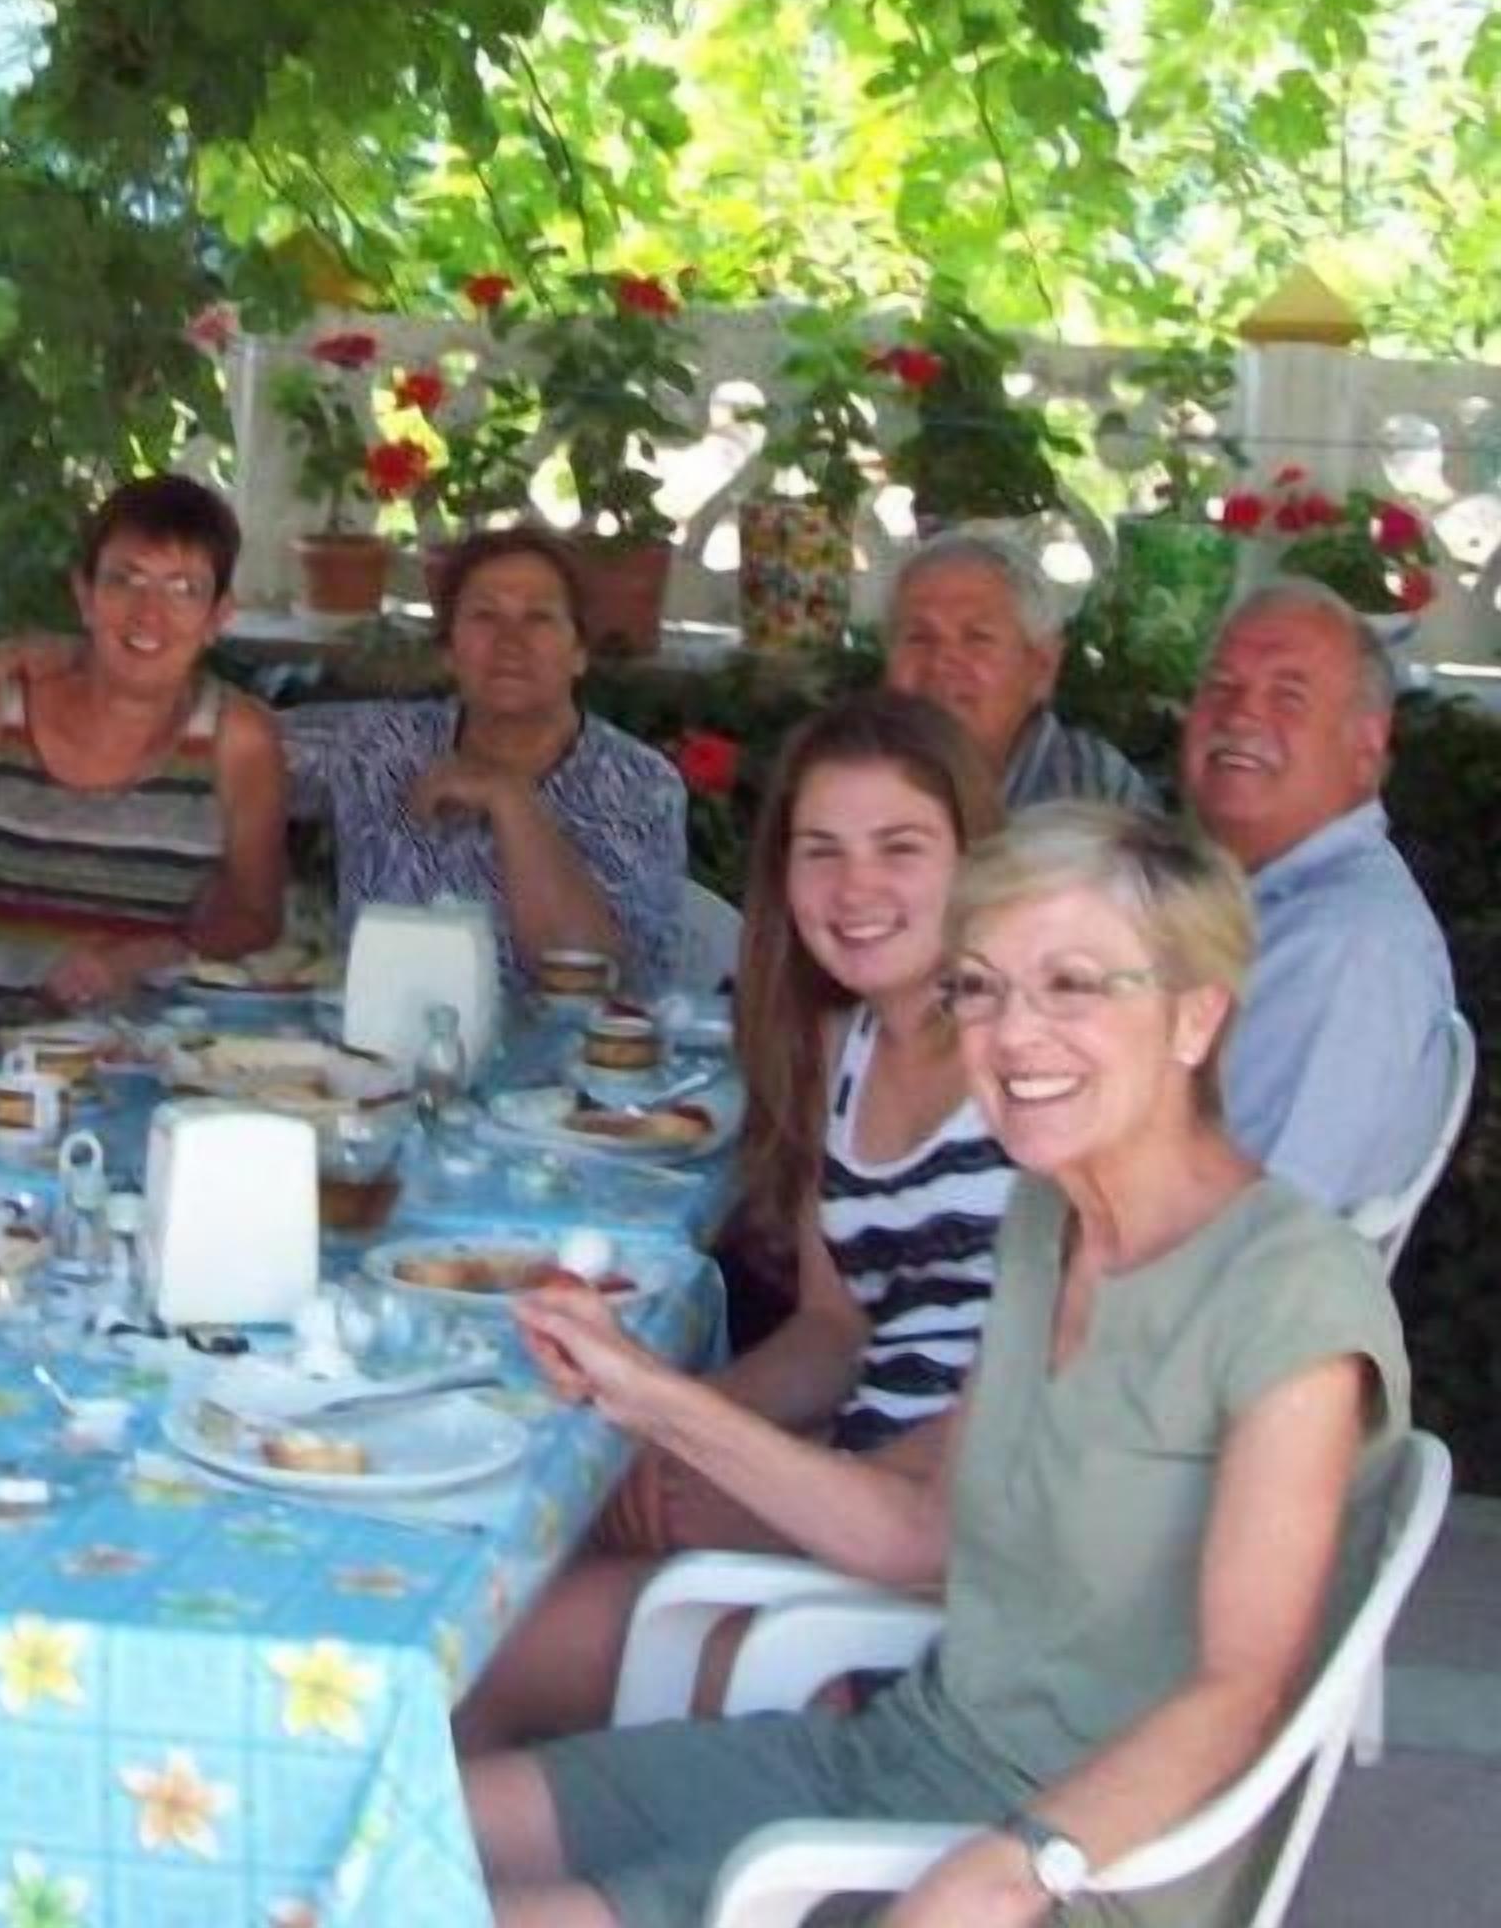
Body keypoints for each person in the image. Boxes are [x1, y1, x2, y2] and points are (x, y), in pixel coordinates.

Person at [465, 800, 1409, 1928]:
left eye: (1072, 985)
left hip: (1086, 1865)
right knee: (411, 1828)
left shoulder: (1287, 1298)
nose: (1014, 1035)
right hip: (902, 1759)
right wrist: (647, 1394)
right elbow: (917, 1537)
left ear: (1196, 1018)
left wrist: (1018, 1866)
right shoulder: (1046, 1221)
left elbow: (1241, 1689)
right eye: (982, 987)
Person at [460, 691, 1009, 1753]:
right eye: (821, 851)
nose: (856, 888)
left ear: (976, 863)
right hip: (856, 1486)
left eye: (901, 847)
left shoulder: (1025, 1076)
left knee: (482, 1654)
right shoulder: (847, 1045)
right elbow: (832, 1331)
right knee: (524, 1541)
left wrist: (717, 1470)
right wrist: (682, 1431)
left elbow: (1014, 1453)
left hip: (937, 1588)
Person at [0, 472, 289, 1080]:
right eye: (123, 580)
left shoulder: (238, 741)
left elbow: (256, 918)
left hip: (109, 1082)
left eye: (183, 589)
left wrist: (154, 954)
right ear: (84, 595)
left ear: (218, 616)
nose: (148, 613)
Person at [281, 523, 685, 989]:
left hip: (561, 1058)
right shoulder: (380, 746)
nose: (510, 641)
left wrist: (509, 798)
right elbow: (230, 742)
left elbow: (592, 979)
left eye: (538, 618)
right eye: (484, 616)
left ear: (579, 653)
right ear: (449, 651)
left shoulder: (636, 783)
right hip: (379, 1051)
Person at [1179, 577, 1459, 1214]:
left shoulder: (1345, 948)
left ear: (1366, 747)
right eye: (1221, 688)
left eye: (1288, 695)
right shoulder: (1238, 897)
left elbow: (1254, 1225)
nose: (1242, 715)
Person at [885, 528, 1154, 812]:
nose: (940, 663)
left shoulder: (1091, 792)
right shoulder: (853, 775)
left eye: (977, 638)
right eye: (918, 638)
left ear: (1041, 669)